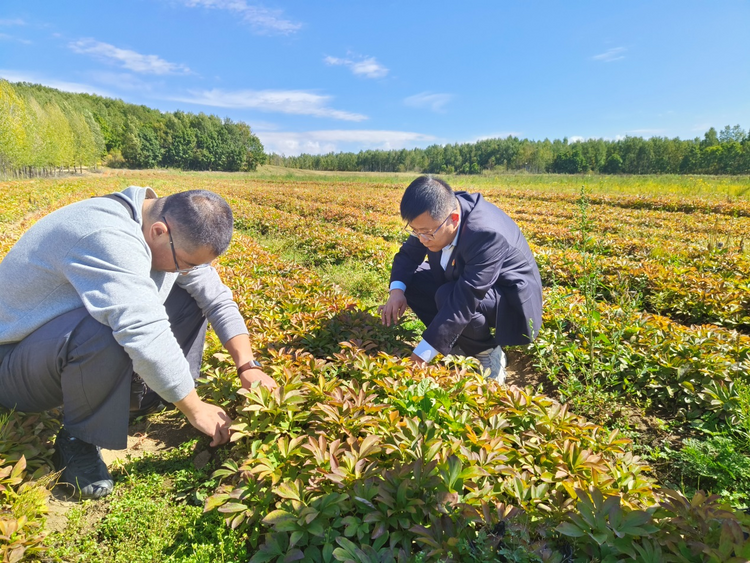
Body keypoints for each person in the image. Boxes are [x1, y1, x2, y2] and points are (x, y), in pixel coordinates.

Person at [0, 186, 277, 500]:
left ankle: (139, 395)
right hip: (11, 361)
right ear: (160, 232)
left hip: (49, 347)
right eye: (185, 263)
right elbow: (141, 329)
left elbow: (216, 299)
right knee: (104, 329)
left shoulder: (160, 229)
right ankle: (78, 441)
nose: (186, 270)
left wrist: (247, 364)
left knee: (189, 297)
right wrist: (195, 409)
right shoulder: (106, 236)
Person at [378, 176, 543, 382]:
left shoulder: (486, 234)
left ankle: (488, 352)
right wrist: (396, 292)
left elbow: (465, 299)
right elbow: (408, 255)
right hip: (464, 278)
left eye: (427, 233)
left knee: (449, 296)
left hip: (508, 295)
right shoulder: (435, 217)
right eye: (416, 231)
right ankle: (456, 342)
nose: (422, 239)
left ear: (454, 219)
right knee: (412, 280)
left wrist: (421, 356)